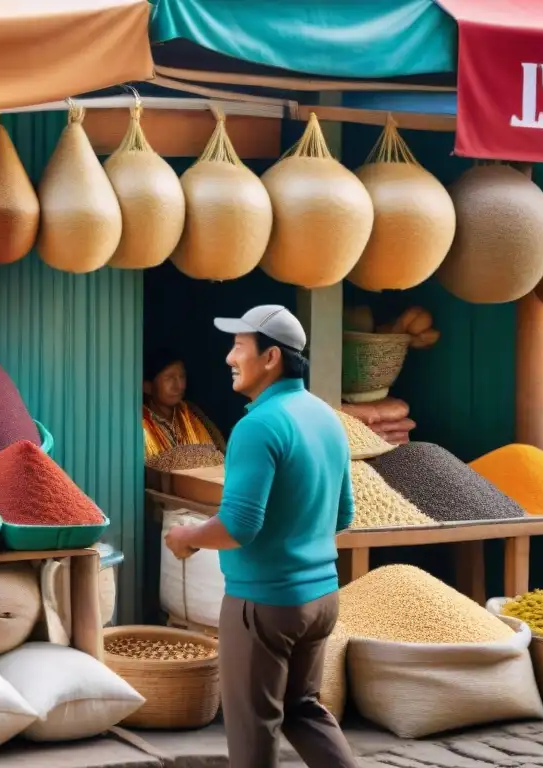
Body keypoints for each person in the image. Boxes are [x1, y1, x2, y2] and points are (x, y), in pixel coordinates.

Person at [163, 305, 357, 768]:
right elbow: (343, 514)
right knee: (302, 710)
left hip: (264, 606)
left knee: (253, 728)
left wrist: (188, 535)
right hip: (321, 597)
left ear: (271, 357)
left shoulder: (257, 426)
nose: (230, 357)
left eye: (239, 347)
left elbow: (238, 527)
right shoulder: (327, 417)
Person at [142, 347, 226, 461]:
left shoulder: (194, 414)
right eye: (169, 378)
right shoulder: (139, 425)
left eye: (182, 377)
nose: (179, 386)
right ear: (147, 387)